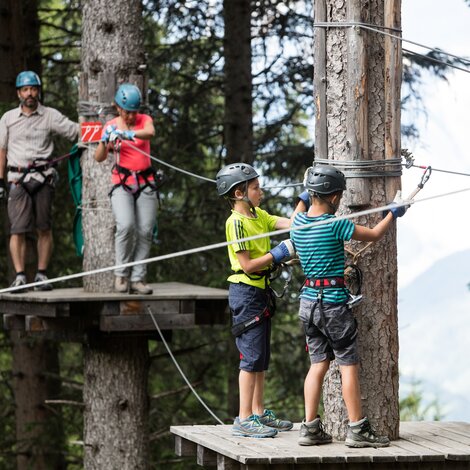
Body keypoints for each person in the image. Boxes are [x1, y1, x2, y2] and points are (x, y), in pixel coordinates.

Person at [291, 164, 406, 448]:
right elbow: (375, 234)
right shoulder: (336, 224)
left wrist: (306, 196)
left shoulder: (297, 224)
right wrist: (392, 212)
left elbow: (299, 209)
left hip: (308, 303)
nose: (341, 200)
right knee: (347, 365)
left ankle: (310, 427)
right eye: (339, 196)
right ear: (333, 198)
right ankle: (357, 429)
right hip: (332, 305)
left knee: (317, 364)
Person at [216, 162, 295, 438]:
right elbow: (247, 265)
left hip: (260, 291)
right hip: (246, 292)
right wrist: (278, 253)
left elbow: (287, 222)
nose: (261, 191)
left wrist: (306, 207)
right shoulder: (235, 223)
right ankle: (244, 417)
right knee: (250, 357)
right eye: (255, 187)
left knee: (260, 356)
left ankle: (258, 412)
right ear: (239, 192)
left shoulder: (257, 214)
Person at [0, 71, 79, 291]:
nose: (30, 94)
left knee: (44, 227)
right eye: (25, 90)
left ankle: (42, 275)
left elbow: (75, 131)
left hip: (43, 177)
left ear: (38, 91)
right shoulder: (8, 118)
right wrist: (0, 181)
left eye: (33, 89)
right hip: (17, 178)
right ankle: (20, 276)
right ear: (18, 93)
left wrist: (101, 131)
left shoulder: (50, 115)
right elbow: (1, 149)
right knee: (18, 229)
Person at [95, 83, 158, 295]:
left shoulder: (144, 121)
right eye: (128, 112)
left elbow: (150, 132)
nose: (131, 116)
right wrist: (106, 141)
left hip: (145, 183)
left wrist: (128, 134)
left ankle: (138, 278)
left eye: (134, 111)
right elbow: (99, 157)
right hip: (122, 184)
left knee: (146, 230)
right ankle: (121, 274)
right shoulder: (111, 125)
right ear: (119, 108)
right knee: (125, 225)